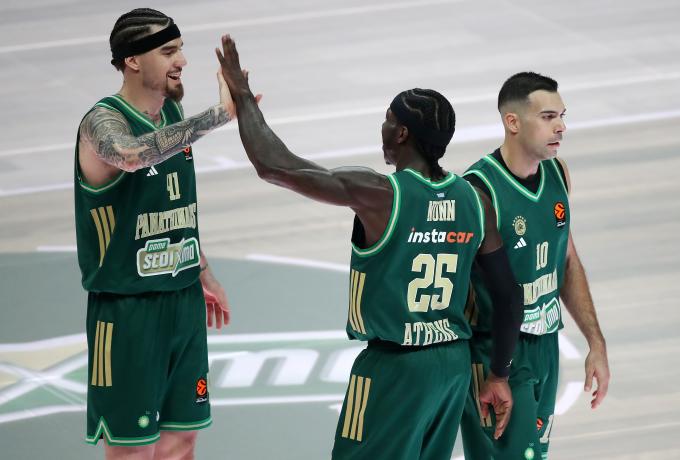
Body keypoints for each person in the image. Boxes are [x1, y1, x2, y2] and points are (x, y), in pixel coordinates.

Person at [215, 35, 524, 459]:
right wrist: (499, 374)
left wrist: (243, 95)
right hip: (451, 364)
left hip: (394, 366)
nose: (383, 128)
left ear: (401, 132)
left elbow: (275, 166)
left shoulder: (381, 194)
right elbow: (508, 295)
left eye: (387, 120)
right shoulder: (475, 200)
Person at [74, 8, 232, 459]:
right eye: (168, 51)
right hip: (128, 311)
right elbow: (131, 155)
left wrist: (202, 270)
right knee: (132, 450)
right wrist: (220, 114)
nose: (181, 60)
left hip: (182, 300)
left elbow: (176, 208)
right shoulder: (101, 123)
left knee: (182, 440)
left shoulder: (172, 115)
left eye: (180, 49)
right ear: (132, 60)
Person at [459, 72, 611, 460]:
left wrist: (595, 341)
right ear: (512, 122)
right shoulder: (478, 190)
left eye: (561, 116)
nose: (561, 126)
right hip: (496, 350)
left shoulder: (558, 174)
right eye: (547, 117)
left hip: (546, 344)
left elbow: (567, 260)